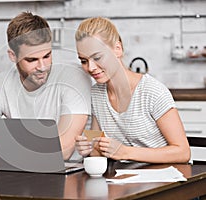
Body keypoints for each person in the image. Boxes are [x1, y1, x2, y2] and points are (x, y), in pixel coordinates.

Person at [0, 12, 91, 163]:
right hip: (17, 173)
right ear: (12, 56)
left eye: (47, 56)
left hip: (69, 176)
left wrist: (3, 147)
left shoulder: (73, 77)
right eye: (32, 60)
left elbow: (63, 151)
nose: (42, 67)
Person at [74, 17, 190, 163]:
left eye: (97, 57)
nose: (90, 68)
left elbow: (183, 152)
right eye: (84, 61)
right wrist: (89, 149)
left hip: (166, 178)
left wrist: (125, 152)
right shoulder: (96, 94)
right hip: (125, 180)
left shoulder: (152, 91)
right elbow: (97, 150)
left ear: (118, 49)